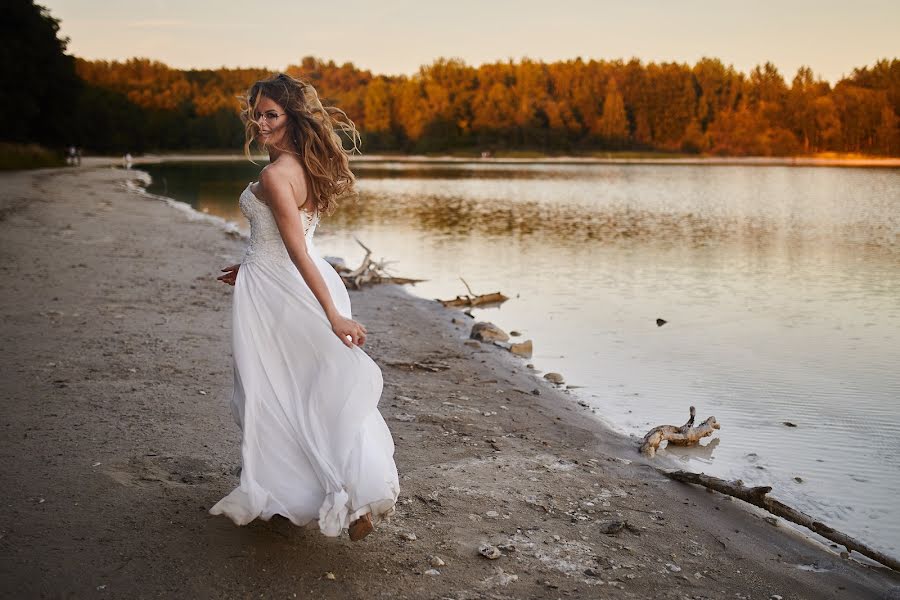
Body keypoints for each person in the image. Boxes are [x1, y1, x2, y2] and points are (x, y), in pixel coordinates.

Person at [211, 73, 399, 541]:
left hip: (283, 293)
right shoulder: (301, 167)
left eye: (271, 114)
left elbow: (295, 249)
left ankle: (336, 492)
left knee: (274, 391)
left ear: (292, 118)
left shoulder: (275, 175)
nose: (260, 122)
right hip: (287, 281)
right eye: (256, 113)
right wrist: (248, 263)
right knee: (307, 390)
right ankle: (326, 491)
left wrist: (334, 317)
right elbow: (284, 241)